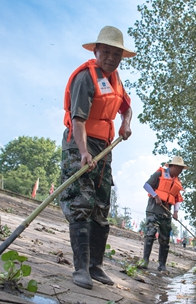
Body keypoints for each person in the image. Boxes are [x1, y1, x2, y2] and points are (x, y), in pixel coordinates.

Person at [60, 26, 136, 290]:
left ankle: (96, 266)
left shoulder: (116, 81)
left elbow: (127, 108)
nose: (111, 58)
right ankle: (81, 269)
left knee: (101, 208)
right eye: (107, 52)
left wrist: (126, 124)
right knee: (81, 203)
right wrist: (83, 153)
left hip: (105, 149)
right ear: (96, 51)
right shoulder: (86, 78)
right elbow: (78, 121)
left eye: (117, 54)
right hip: (79, 144)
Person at [140, 156, 188, 271]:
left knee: (165, 239)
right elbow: (146, 185)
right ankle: (144, 261)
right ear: (174, 166)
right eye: (180, 168)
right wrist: (155, 195)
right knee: (150, 235)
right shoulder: (159, 174)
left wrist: (176, 212)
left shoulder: (177, 181)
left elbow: (177, 199)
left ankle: (162, 265)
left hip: (166, 213)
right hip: (153, 210)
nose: (181, 171)